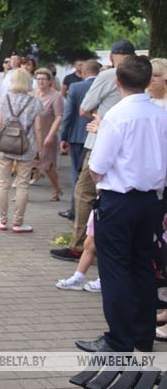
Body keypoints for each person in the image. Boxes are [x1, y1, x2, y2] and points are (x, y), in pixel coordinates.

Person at [76, 55, 167, 353]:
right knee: (142, 265)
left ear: (117, 82)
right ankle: (143, 334)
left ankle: (119, 338)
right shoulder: (161, 115)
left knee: (115, 269)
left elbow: (98, 166)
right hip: (152, 200)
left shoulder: (117, 115)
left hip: (119, 200)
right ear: (147, 80)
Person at [51, 40, 136, 262]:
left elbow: (84, 109)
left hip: (101, 141)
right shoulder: (143, 74)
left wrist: (100, 115)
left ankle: (80, 245)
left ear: (111, 57)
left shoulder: (109, 76)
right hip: (132, 147)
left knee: (84, 192)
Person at [0, 68, 43, 233]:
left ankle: (2, 220)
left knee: (3, 184)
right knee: (22, 185)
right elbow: (38, 128)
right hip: (26, 147)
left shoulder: (4, 99)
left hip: (5, 146)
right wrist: (39, 149)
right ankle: (18, 222)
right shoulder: (35, 102)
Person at [58, 60, 99, 220]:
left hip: (77, 136)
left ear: (83, 72)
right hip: (97, 136)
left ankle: (75, 210)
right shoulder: (109, 87)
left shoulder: (76, 87)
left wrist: (64, 136)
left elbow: (68, 114)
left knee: (77, 174)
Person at [31, 68, 64, 201]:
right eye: (38, 79)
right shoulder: (33, 94)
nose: (40, 82)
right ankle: (21, 191)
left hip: (46, 133)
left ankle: (56, 188)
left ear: (50, 81)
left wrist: (51, 135)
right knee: (27, 164)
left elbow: (58, 117)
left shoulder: (56, 96)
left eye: (43, 79)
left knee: (47, 166)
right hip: (32, 135)